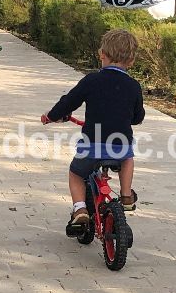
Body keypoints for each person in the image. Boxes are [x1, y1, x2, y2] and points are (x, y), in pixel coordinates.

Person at [42, 29, 145, 227]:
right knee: (128, 159)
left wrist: (51, 116)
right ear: (131, 61)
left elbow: (68, 102)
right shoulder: (133, 86)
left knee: (76, 173)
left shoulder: (91, 81)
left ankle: (80, 209)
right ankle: (125, 195)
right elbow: (137, 116)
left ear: (102, 55)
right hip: (120, 147)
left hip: (91, 146)